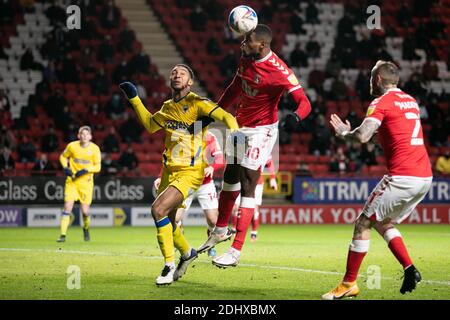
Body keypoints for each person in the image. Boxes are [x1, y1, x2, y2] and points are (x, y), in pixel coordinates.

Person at [197, 24, 311, 268]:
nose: (242, 44)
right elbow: (234, 89)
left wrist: (297, 116)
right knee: (229, 177)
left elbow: (304, 102)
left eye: (247, 40)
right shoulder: (245, 60)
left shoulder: (280, 70)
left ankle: (236, 249)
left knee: (248, 184)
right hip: (240, 127)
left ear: (262, 45)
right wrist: (215, 111)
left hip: (262, 131)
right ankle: (220, 229)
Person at [118, 63, 240, 286]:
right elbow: (149, 125)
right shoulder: (166, 108)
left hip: (190, 172)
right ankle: (187, 252)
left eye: (182, 73)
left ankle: (169, 265)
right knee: (171, 221)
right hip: (169, 171)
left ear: (190, 82)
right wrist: (134, 99)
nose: (176, 74)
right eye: (173, 72)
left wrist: (236, 143)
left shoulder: (198, 103)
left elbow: (228, 118)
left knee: (157, 209)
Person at [322, 60, 433, 299]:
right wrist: (370, 137)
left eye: (372, 77)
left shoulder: (381, 102)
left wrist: (344, 133)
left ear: (378, 80)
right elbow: (389, 137)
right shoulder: (410, 101)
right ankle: (409, 269)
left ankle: (349, 283)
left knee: (362, 223)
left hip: (403, 176)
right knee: (383, 223)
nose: (370, 81)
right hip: (424, 175)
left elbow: (362, 136)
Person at [153, 131, 225, 257]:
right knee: (174, 218)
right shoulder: (181, 135)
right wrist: (160, 177)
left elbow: (220, 159)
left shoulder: (209, 137)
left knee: (213, 220)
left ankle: (210, 245)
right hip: (185, 182)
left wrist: (212, 167)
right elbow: (169, 159)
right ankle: (181, 243)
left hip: (205, 184)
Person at [57, 126, 101, 243]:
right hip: (72, 182)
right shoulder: (72, 146)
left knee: (85, 211)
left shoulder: (95, 149)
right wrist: (65, 167)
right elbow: (62, 156)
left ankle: (86, 229)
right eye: (82, 134)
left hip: (86, 184)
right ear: (78, 136)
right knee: (67, 207)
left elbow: (98, 167)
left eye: (86, 134)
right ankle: (62, 235)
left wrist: (86, 170)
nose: (84, 136)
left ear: (90, 136)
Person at [230, 156, 278, 242]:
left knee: (254, 209)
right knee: (235, 207)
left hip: (257, 183)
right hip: (241, 180)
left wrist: (272, 178)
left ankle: (254, 233)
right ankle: (234, 230)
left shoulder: (262, 146)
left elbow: (269, 162)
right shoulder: (242, 146)